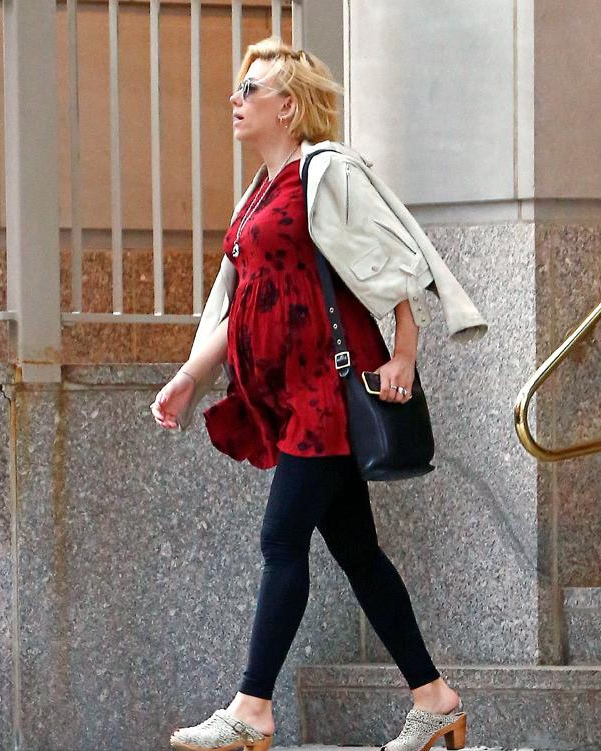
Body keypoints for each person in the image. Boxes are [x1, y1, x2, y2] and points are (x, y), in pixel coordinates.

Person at [151, 36, 467, 751]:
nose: (235, 100)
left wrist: (406, 353)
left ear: (288, 106)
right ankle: (435, 698)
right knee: (359, 553)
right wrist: (191, 376)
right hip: (288, 395)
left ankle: (252, 708)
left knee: (281, 539)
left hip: (326, 392)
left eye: (250, 90)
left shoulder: (323, 172)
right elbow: (237, 302)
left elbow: (393, 262)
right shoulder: (258, 194)